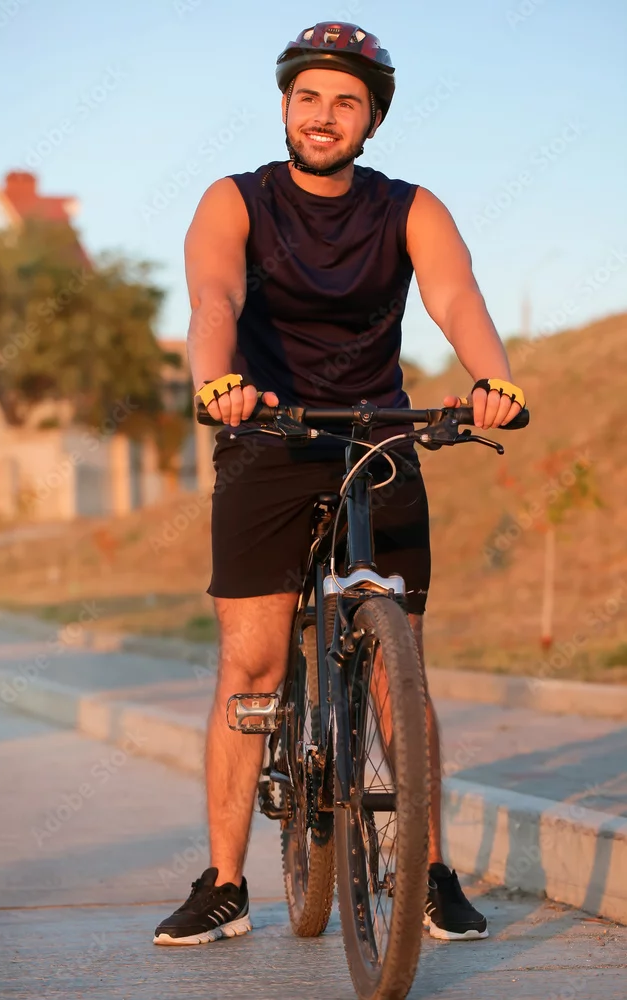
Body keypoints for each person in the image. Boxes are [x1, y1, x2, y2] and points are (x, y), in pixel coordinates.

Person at [153, 21, 525, 947]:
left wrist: (493, 379)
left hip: (377, 436)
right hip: (268, 434)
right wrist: (217, 383)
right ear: (285, 106)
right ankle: (225, 883)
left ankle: (426, 871)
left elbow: (456, 296)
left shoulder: (409, 207)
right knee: (253, 665)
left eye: (345, 102)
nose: (324, 115)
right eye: (308, 97)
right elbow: (214, 298)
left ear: (371, 120)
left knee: (403, 668)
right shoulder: (235, 199)